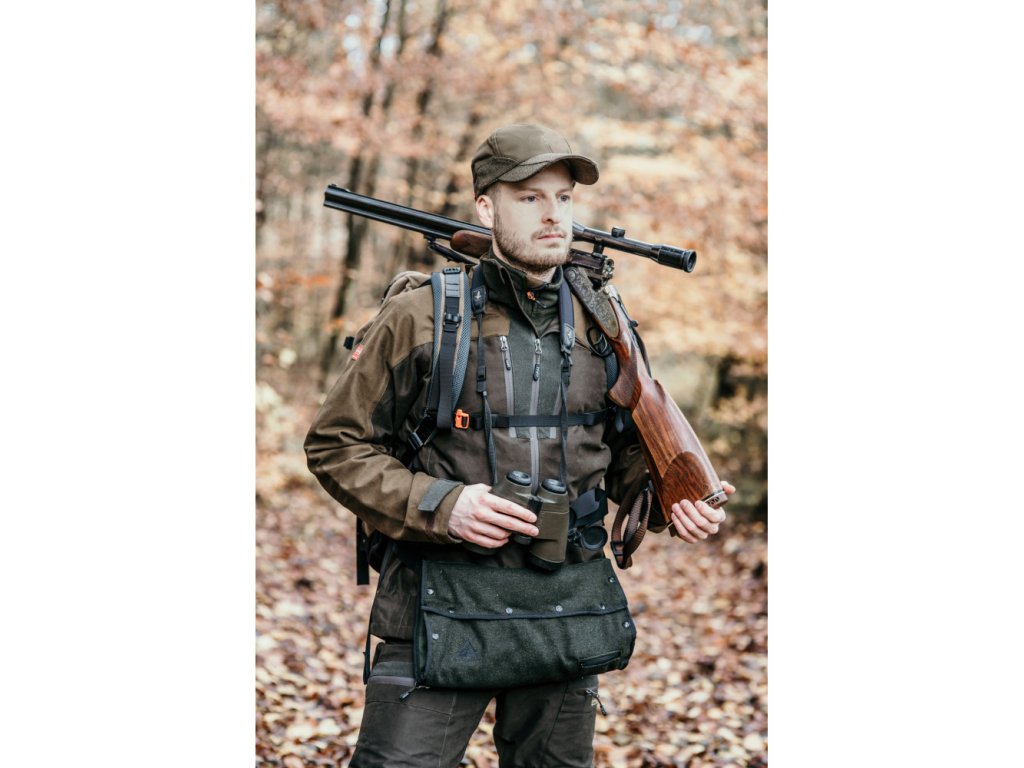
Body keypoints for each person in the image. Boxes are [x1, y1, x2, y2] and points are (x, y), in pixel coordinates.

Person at [304, 123, 733, 767]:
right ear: (486, 208)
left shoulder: (604, 322)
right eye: (529, 197)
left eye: (563, 197)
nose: (552, 214)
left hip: (567, 608)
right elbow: (336, 444)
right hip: (438, 605)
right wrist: (442, 504)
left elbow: (622, 457)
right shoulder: (422, 315)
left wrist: (671, 497)